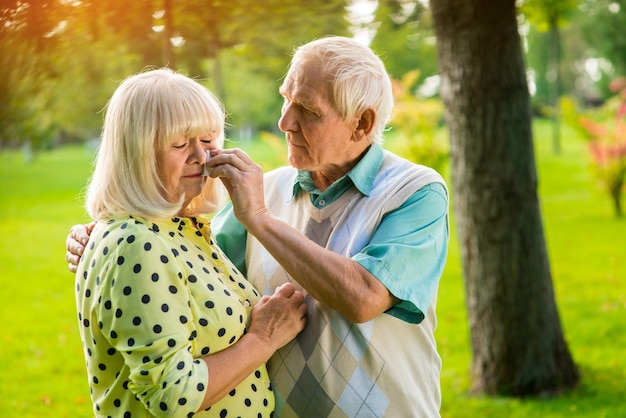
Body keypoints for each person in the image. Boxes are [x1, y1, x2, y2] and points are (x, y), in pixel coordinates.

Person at [68, 36, 449, 417]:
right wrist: (106, 234)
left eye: (307, 110)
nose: (285, 121)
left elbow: (364, 297)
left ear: (361, 123)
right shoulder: (264, 191)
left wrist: (261, 220)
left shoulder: (415, 192)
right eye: (286, 98)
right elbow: (183, 266)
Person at [71, 68, 306, 418]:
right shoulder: (135, 243)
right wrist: (263, 338)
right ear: (136, 152)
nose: (201, 155)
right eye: (181, 144)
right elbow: (172, 395)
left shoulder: (185, 228)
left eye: (209, 139)